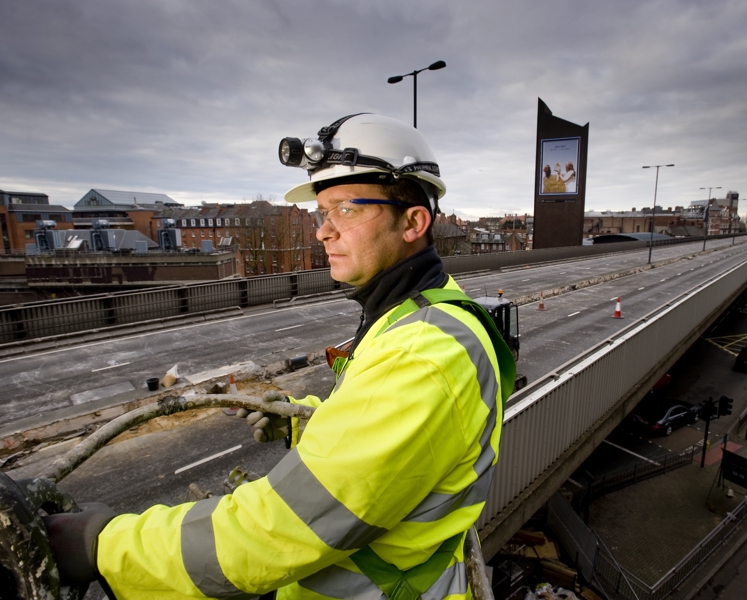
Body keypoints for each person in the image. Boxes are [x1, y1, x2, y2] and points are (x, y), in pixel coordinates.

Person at [44, 113, 515, 600]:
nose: (323, 232)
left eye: (347, 210)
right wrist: (305, 422)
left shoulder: (423, 355)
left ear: (414, 222)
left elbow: (276, 529)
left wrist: (102, 547)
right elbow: (390, 443)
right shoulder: (421, 311)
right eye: (322, 213)